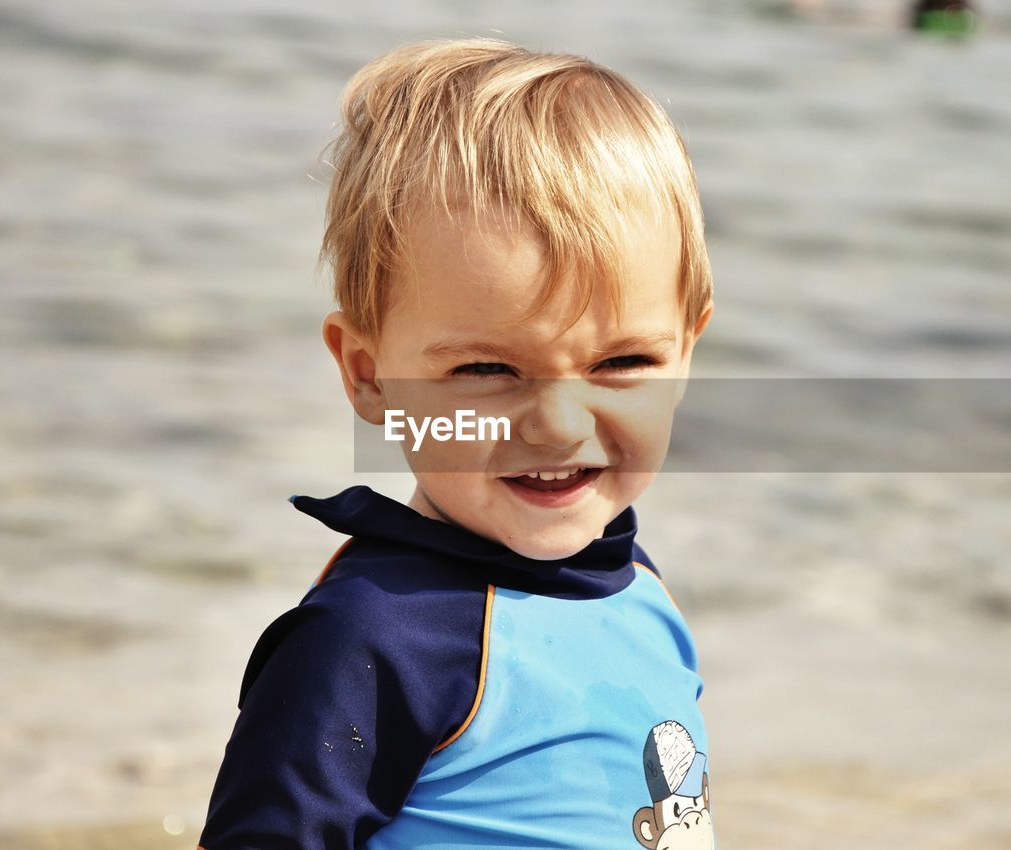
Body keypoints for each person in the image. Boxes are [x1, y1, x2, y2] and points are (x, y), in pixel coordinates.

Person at [198, 37, 716, 850]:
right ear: (370, 376)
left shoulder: (641, 592)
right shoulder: (373, 641)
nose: (557, 424)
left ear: (687, 353)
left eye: (622, 362)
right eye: (485, 369)